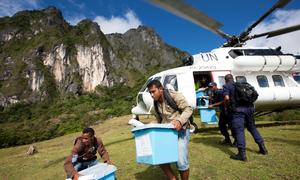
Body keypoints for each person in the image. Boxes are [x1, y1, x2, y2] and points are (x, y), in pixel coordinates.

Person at [147, 80, 193, 180]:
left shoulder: (175, 96)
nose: (151, 94)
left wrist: (179, 121)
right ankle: (172, 178)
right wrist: (147, 126)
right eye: (150, 92)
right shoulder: (156, 102)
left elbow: (188, 109)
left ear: (161, 89)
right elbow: (159, 119)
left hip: (182, 131)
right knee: (159, 156)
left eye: (153, 91)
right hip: (167, 133)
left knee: (181, 160)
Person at [223, 74, 268, 161]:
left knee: (239, 130)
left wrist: (227, 106)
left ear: (226, 80)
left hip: (238, 111)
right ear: (233, 79)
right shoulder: (242, 85)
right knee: (252, 128)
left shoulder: (226, 86)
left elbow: (226, 98)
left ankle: (241, 154)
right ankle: (263, 148)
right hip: (250, 109)